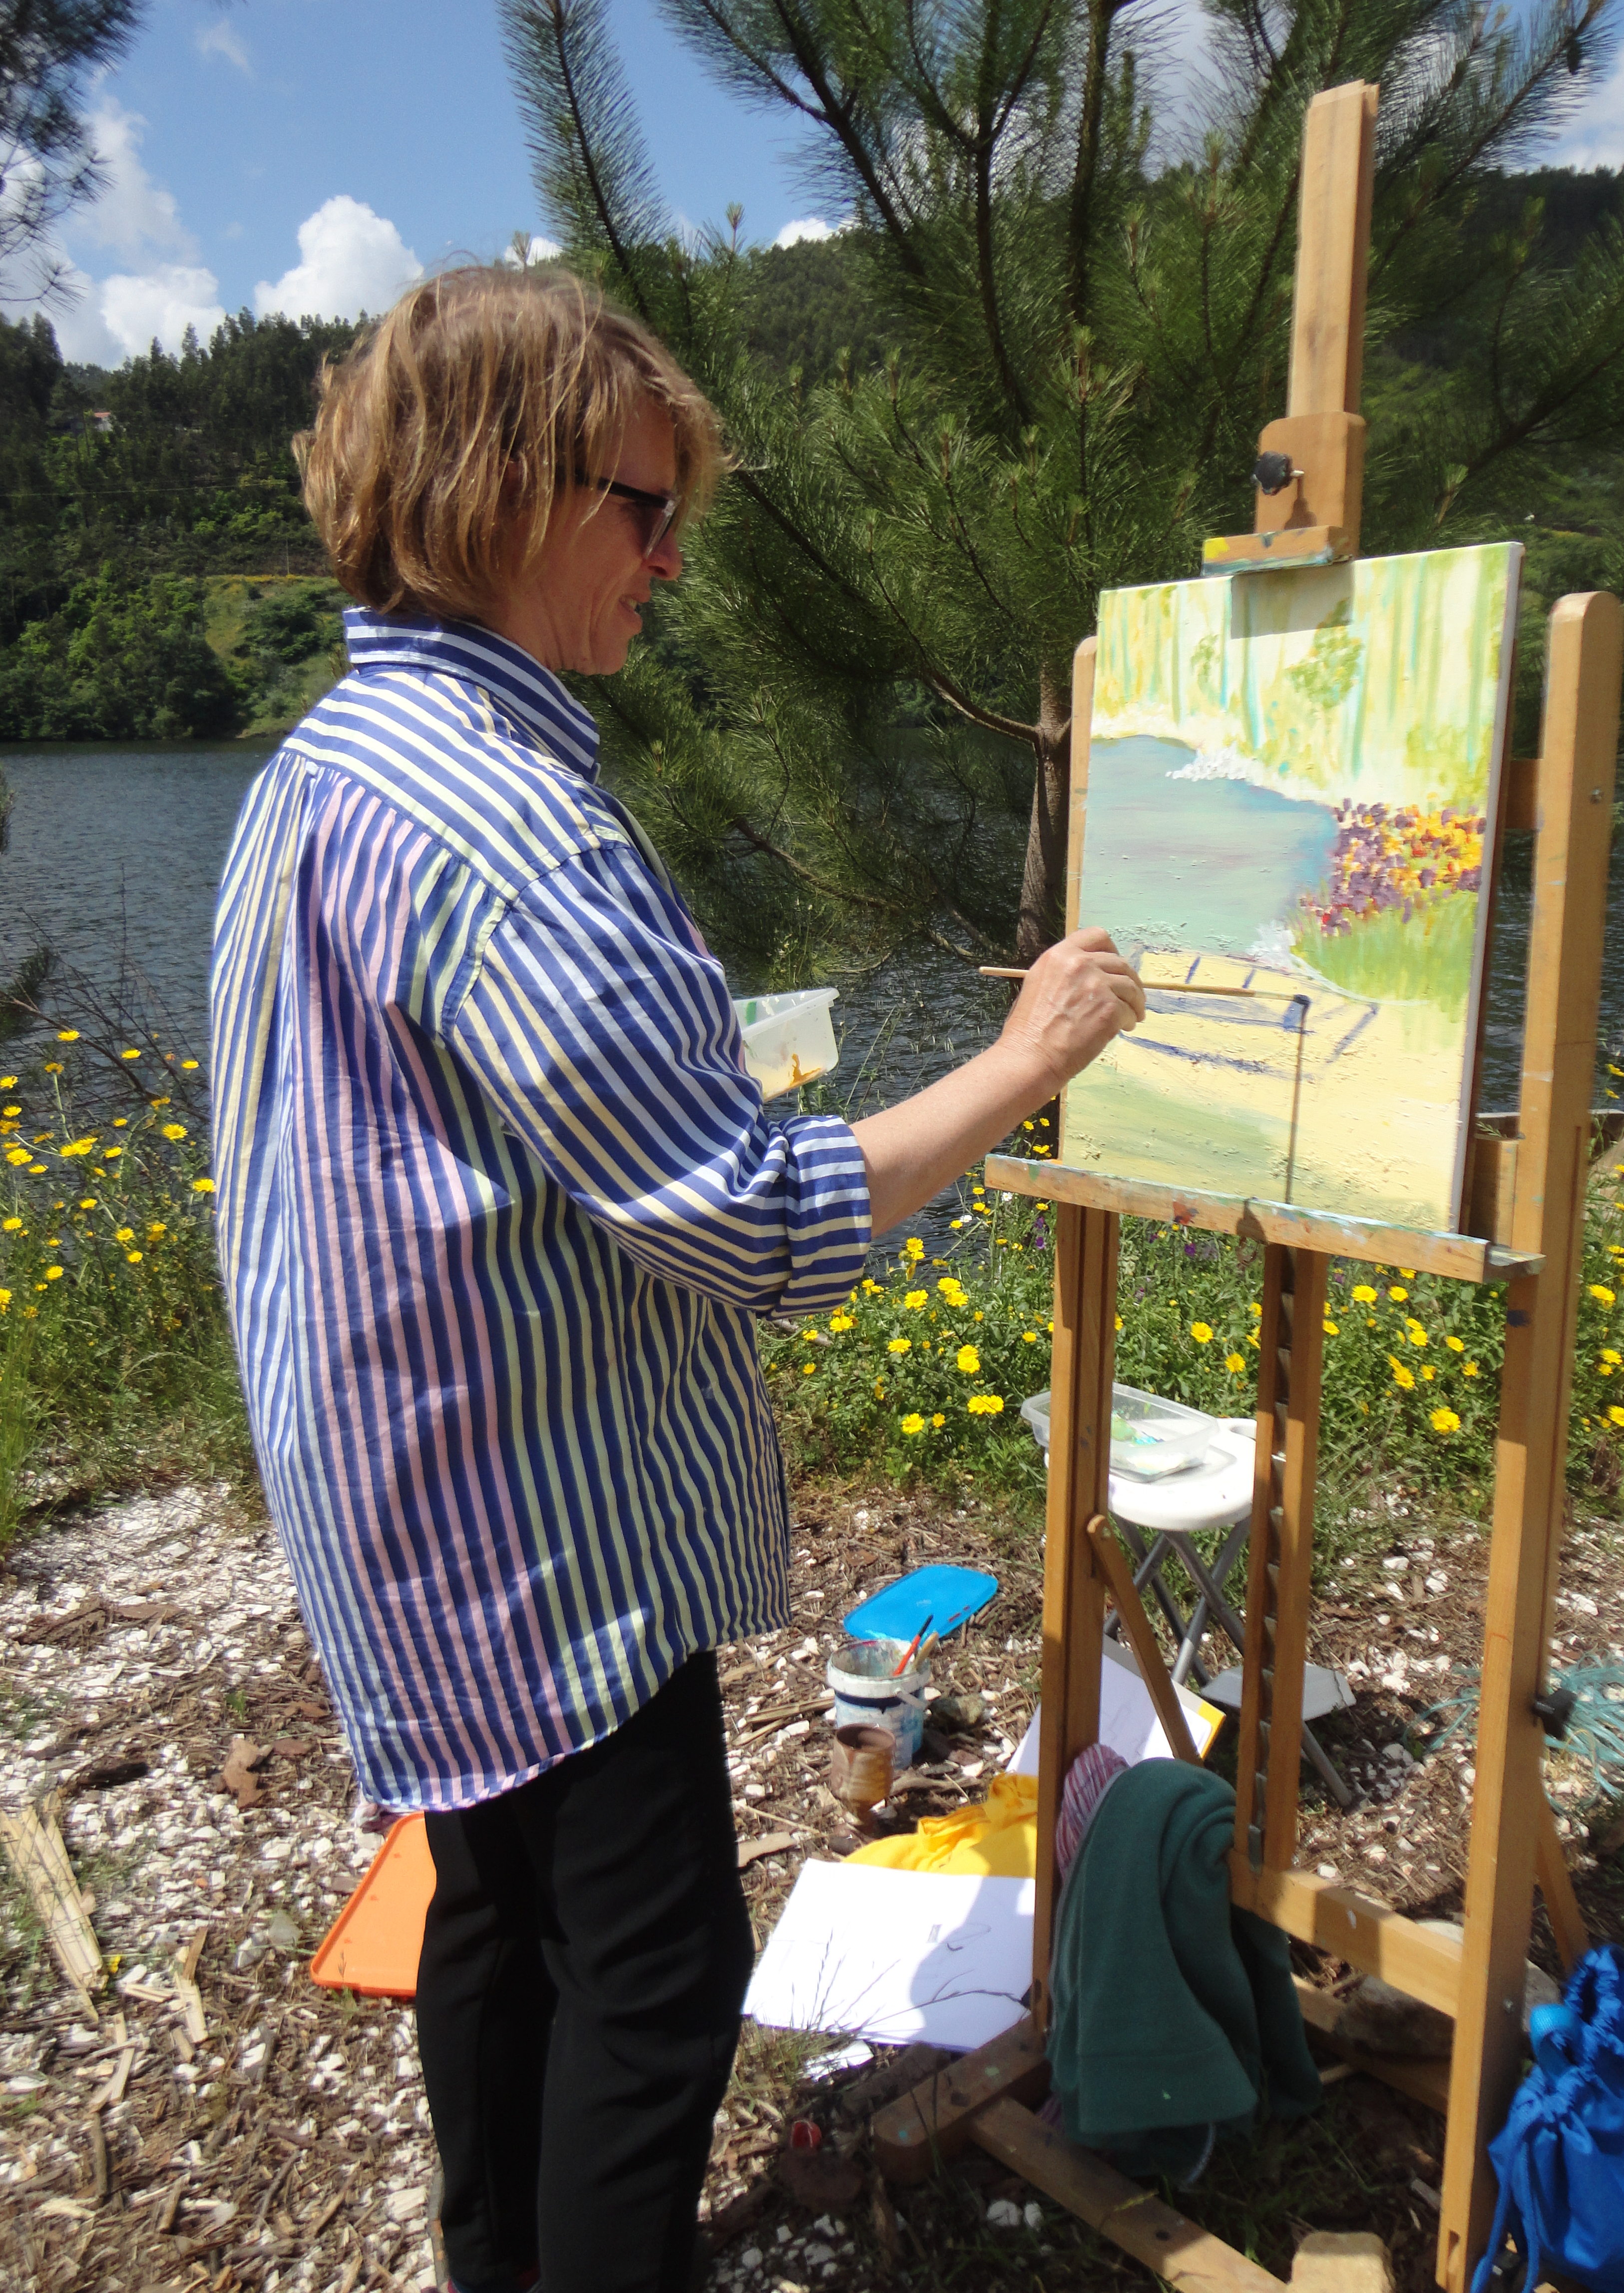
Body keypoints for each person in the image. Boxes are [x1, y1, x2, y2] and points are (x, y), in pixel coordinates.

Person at [209, 264, 1144, 2293]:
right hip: (535, 1526)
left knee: (496, 1916)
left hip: (397, 1499)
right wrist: (1027, 1061)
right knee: (654, 1978)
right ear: (503, 491)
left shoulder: (323, 767)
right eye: (644, 511)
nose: (672, 561)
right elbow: (758, 1221)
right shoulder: (518, 825)